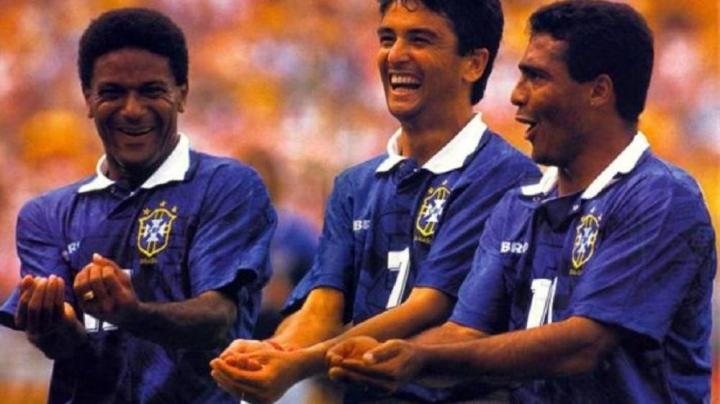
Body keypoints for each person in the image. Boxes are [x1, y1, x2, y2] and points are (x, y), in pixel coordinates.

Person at [326, 1, 717, 403]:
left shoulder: (662, 199)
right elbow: (465, 332)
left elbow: (583, 344)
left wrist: (421, 359)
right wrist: (383, 355)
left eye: (537, 77)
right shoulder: (519, 206)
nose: (516, 96)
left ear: (598, 91)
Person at [210, 0, 539, 402]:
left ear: (473, 63)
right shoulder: (356, 185)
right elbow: (322, 308)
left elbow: (428, 305)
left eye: (420, 39)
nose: (395, 55)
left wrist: (299, 365)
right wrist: (270, 352)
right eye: (387, 38)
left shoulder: (506, 178)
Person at [0, 8, 276, 404]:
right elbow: (63, 344)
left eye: (151, 91)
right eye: (113, 92)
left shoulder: (227, 186)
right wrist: (49, 324)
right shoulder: (46, 215)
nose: (132, 109)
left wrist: (131, 313)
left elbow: (219, 319)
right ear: (88, 98)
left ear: (182, 94)